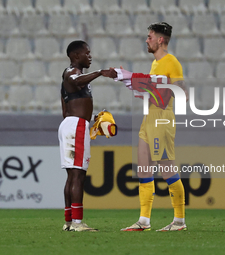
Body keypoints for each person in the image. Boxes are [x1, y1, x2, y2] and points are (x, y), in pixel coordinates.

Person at [115, 22, 189, 231]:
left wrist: (162, 90)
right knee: (144, 169)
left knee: (167, 171)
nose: (146, 40)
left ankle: (179, 221)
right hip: (149, 117)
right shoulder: (156, 64)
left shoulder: (171, 62)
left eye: (149, 36)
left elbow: (182, 93)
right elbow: (154, 89)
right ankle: (144, 221)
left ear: (160, 40)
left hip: (162, 119)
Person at [58, 40, 117, 232]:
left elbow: (71, 106)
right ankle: (77, 222)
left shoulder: (71, 76)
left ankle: (69, 221)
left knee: (72, 176)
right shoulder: (72, 73)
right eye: (87, 53)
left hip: (72, 124)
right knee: (78, 176)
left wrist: (93, 118)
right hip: (76, 126)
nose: (90, 56)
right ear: (76, 56)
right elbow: (76, 81)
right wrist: (100, 72)